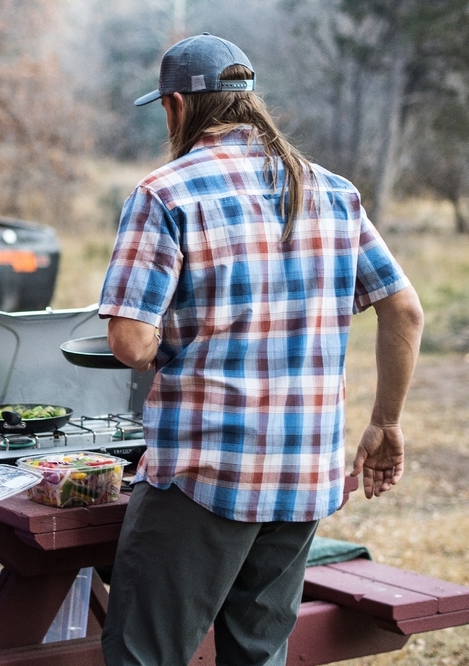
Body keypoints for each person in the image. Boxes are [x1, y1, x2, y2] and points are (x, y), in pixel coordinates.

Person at [98, 34, 424, 665]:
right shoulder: (333, 190)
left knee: (145, 654)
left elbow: (130, 341)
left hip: (203, 473)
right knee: (258, 654)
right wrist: (385, 422)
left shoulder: (166, 192)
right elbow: (404, 308)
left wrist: (176, 337)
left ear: (174, 107)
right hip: (304, 471)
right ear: (247, 100)